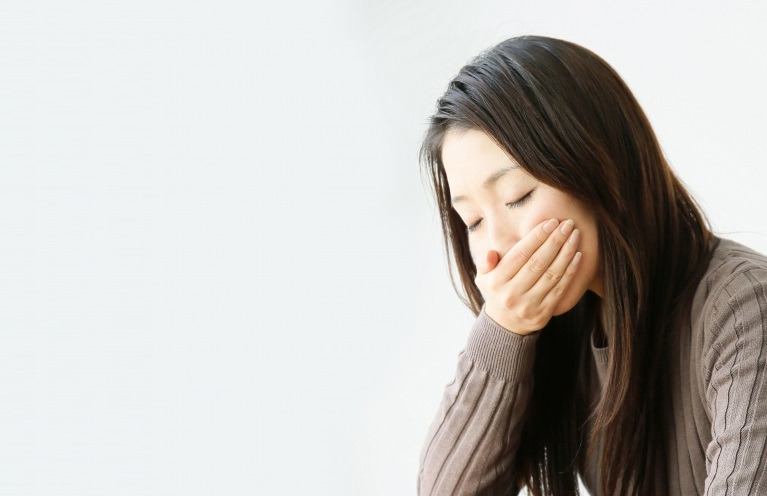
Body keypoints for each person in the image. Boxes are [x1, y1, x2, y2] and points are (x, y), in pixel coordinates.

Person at [416, 35, 767, 495]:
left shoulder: (746, 307)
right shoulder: (566, 332)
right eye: (473, 221)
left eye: (517, 196)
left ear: (598, 165)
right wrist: (503, 327)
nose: (497, 247)